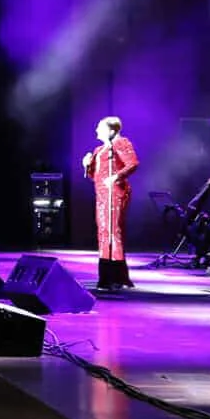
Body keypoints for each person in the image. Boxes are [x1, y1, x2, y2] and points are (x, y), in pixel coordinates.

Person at [82, 117, 140, 291]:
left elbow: (132, 163)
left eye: (100, 128)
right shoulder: (100, 149)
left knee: (112, 232)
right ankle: (109, 277)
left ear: (112, 130)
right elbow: (95, 176)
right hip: (102, 195)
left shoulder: (120, 143)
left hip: (114, 193)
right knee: (104, 232)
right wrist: (86, 165)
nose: (96, 131)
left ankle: (115, 277)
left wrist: (116, 177)